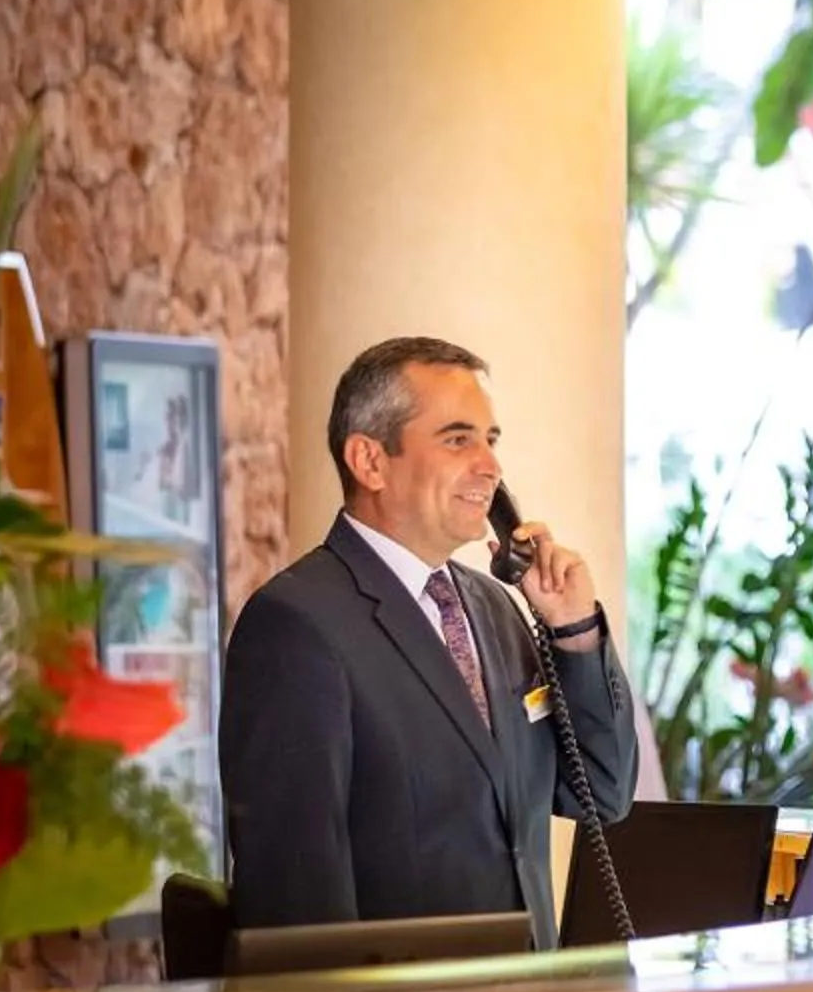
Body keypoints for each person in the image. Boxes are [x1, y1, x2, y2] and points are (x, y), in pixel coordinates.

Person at [219, 336, 636, 941]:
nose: (490, 466)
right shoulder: (295, 626)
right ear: (369, 461)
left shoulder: (497, 607)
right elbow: (294, 892)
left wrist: (574, 632)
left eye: (491, 441)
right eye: (458, 439)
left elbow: (601, 797)